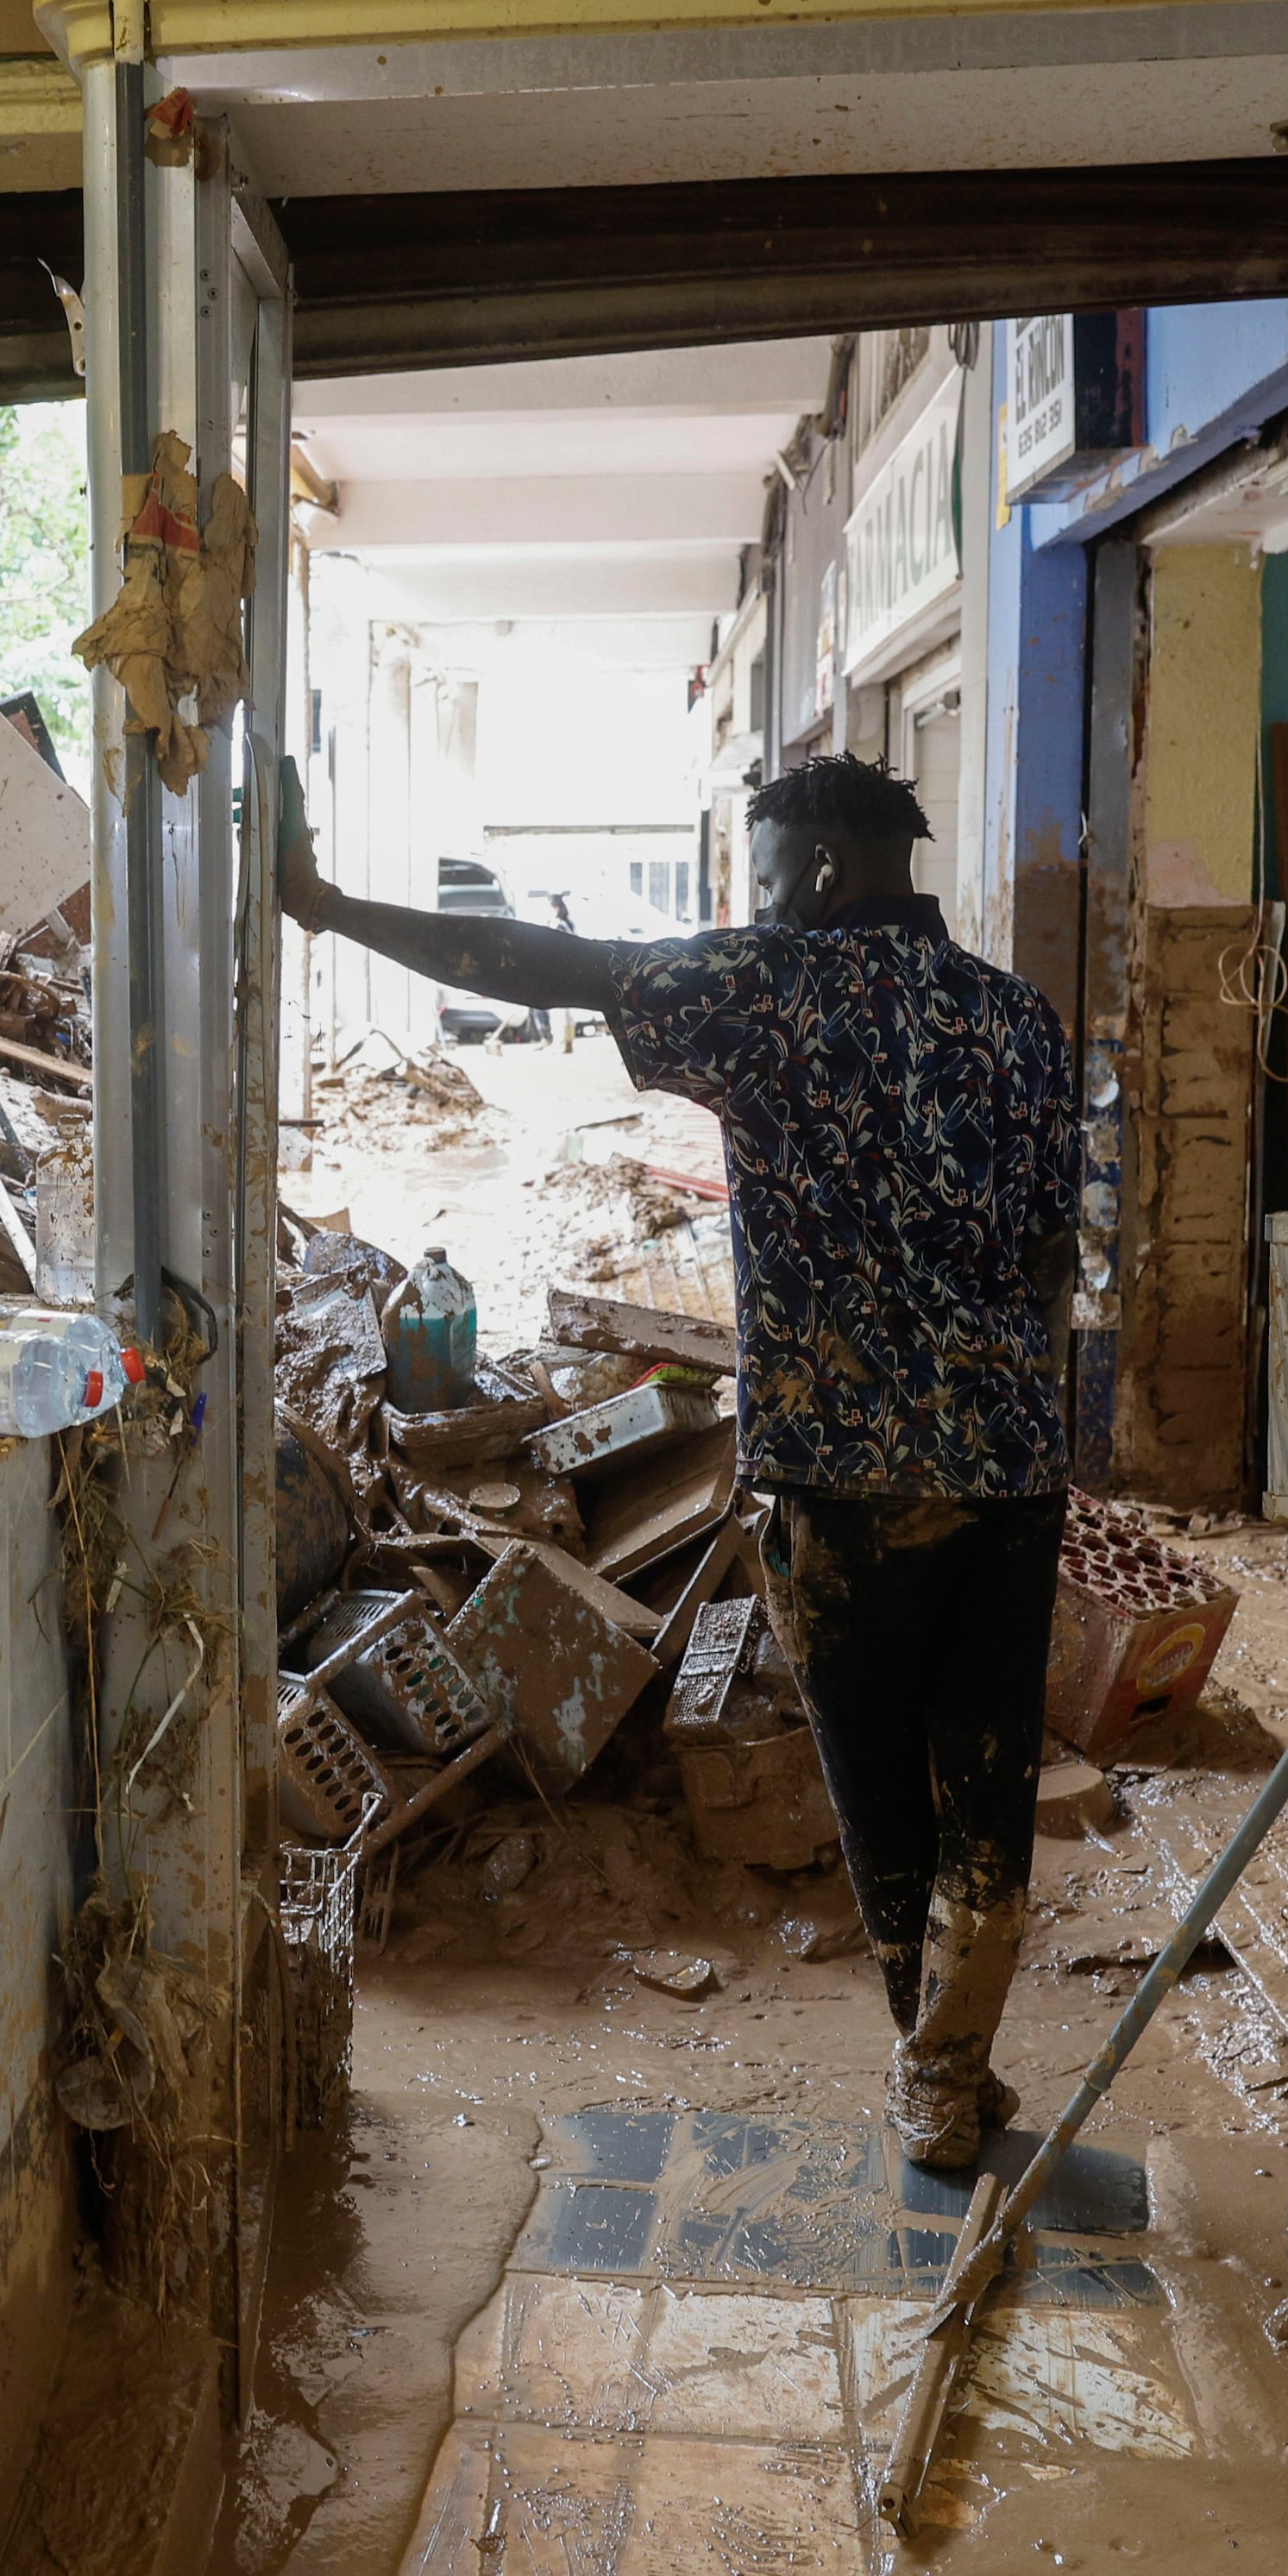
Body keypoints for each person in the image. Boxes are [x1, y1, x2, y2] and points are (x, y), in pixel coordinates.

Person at [280, 752, 1082, 2167]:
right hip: (1009, 1473)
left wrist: (330, 905)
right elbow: (1047, 1255)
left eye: (767, 875)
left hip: (847, 1476)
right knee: (990, 1782)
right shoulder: (1020, 1021)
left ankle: (936, 2074)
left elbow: (551, 963)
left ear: (823, 872)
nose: (757, 904)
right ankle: (950, 2059)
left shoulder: (776, 988)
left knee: (880, 1788)